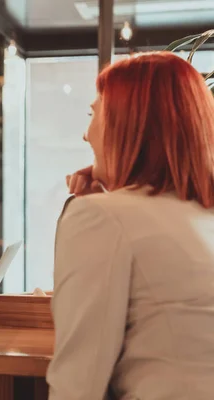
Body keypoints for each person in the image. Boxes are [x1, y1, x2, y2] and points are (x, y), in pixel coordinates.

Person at [47, 51, 214, 400]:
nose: (85, 135)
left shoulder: (103, 218)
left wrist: (98, 208)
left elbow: (77, 386)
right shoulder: (201, 217)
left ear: (127, 125)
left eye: (94, 114)